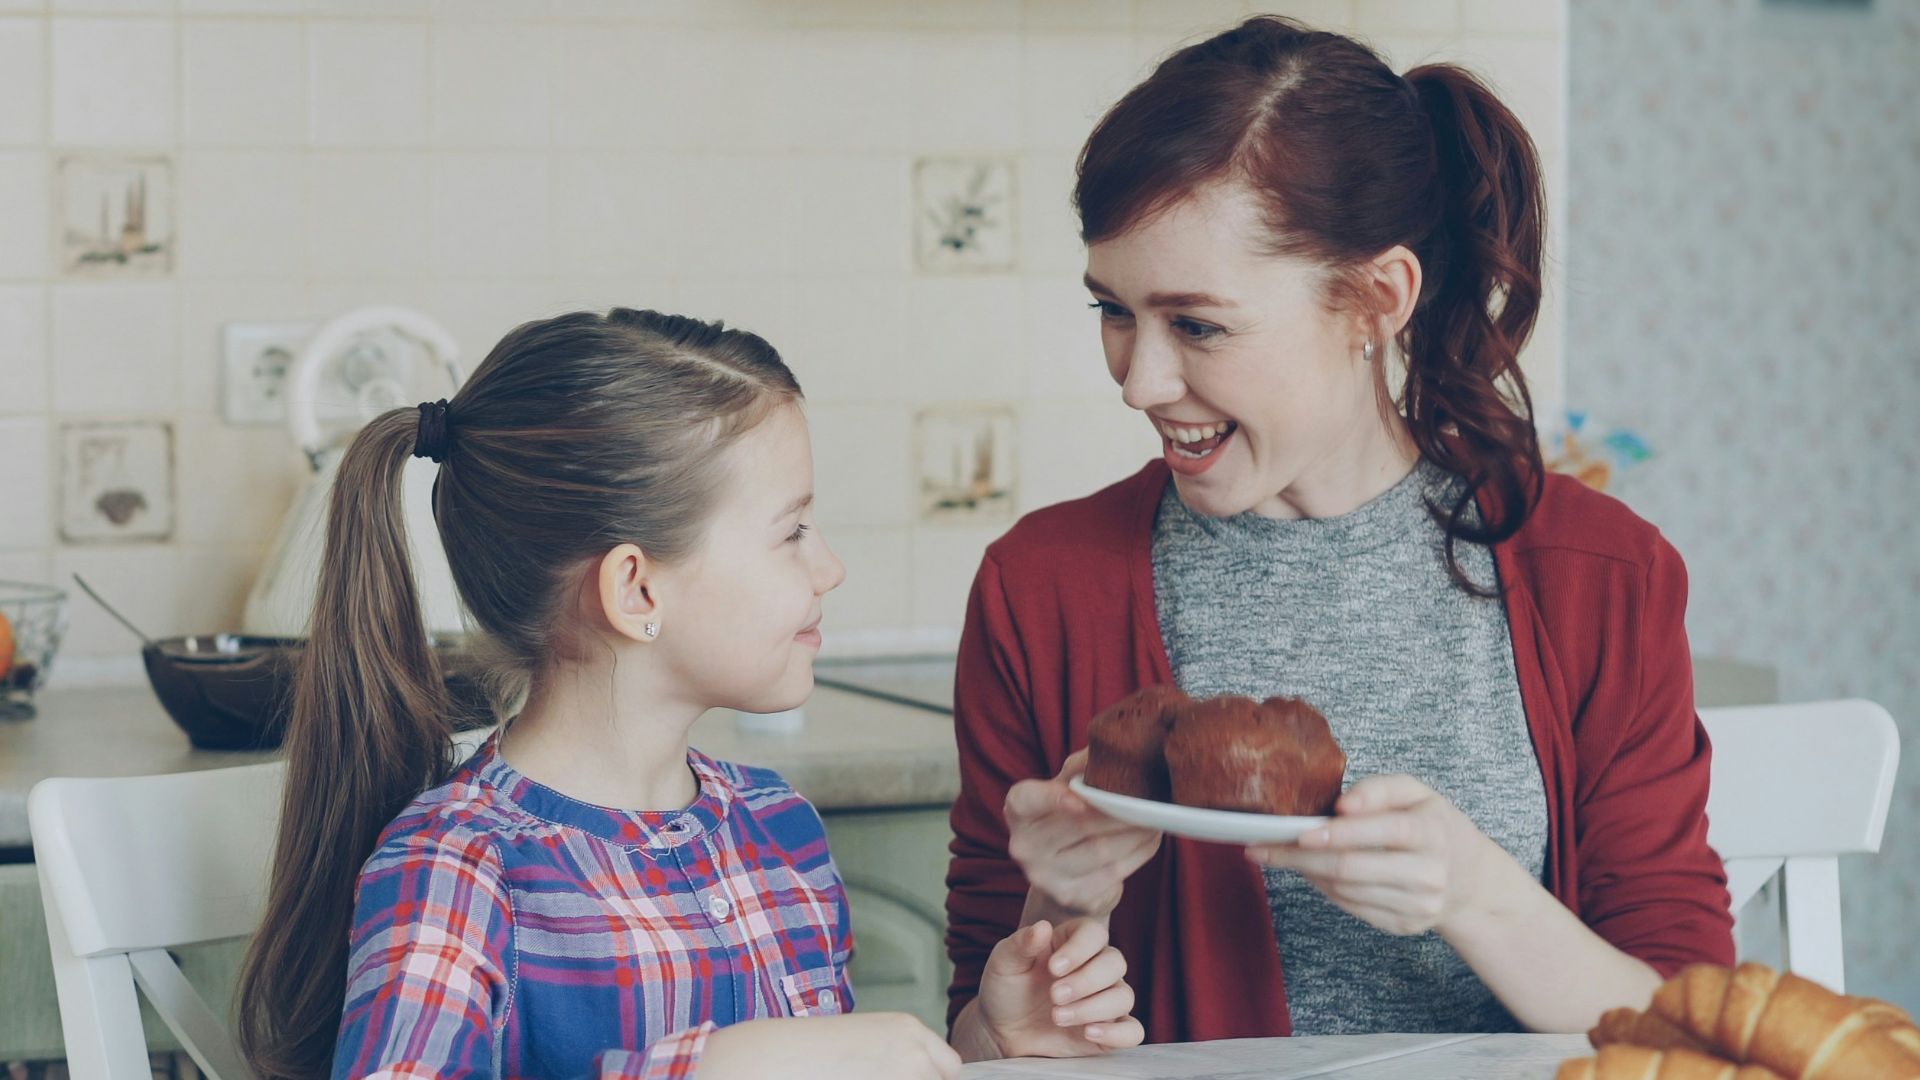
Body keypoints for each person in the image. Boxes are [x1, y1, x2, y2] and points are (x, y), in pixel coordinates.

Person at [944, 17, 1734, 1046]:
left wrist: (1476, 896)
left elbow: (1696, 1038)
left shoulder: (1601, 578)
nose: (1139, 380)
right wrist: (1046, 947)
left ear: (1377, 298)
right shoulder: (1041, 588)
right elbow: (968, 1034)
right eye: (1113, 312)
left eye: (1198, 325)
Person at [234, 309, 1143, 1079]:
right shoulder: (460, 868)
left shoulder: (777, 828)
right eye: (791, 533)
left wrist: (992, 1041)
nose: (829, 567)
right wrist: (715, 1068)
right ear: (637, 590)